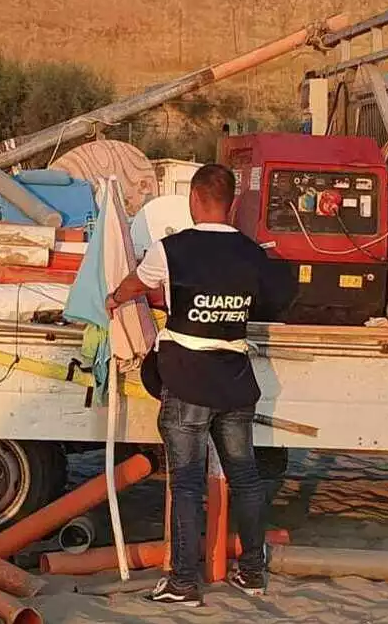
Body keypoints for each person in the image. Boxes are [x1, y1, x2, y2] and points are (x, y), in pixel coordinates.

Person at [106, 163, 296, 607]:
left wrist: (115, 296)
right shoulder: (252, 254)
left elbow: (139, 283)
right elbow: (277, 296)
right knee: (245, 479)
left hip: (187, 382)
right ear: (230, 203)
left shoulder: (172, 248)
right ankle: (251, 573)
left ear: (194, 199)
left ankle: (184, 584)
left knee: (188, 484)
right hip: (234, 383)